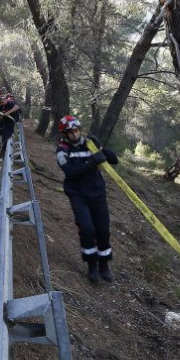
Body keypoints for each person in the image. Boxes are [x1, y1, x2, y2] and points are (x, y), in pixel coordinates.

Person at [55, 115, 118, 284]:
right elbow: (70, 172)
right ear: (64, 134)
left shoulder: (90, 144)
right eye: (70, 132)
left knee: (103, 230)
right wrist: (90, 163)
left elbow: (114, 160)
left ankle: (104, 265)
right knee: (87, 229)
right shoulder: (62, 150)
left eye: (76, 131)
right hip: (78, 194)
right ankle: (92, 266)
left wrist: (101, 148)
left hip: (97, 193)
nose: (74, 135)